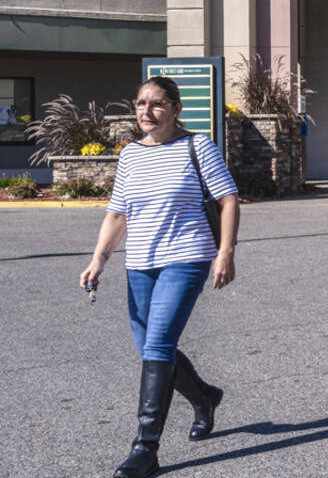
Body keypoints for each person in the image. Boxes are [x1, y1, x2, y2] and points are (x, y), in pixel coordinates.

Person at [80, 75, 240, 478]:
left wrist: (225, 252)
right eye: (140, 103)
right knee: (150, 348)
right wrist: (99, 260)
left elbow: (228, 199)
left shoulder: (197, 146)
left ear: (175, 108)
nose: (146, 111)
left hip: (186, 258)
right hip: (140, 263)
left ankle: (145, 448)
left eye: (156, 103)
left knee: (158, 344)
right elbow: (117, 214)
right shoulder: (131, 155)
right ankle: (204, 398)